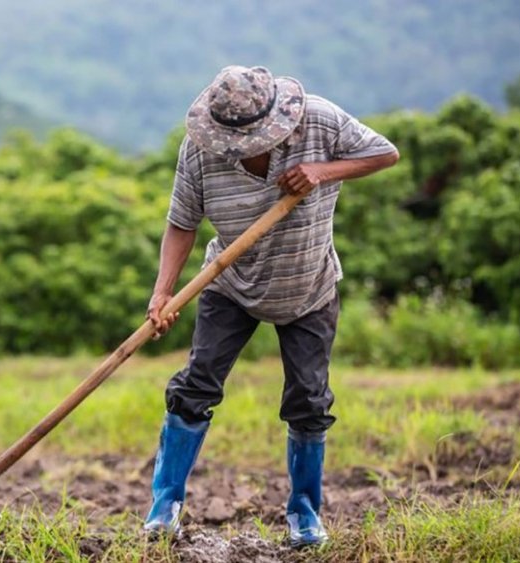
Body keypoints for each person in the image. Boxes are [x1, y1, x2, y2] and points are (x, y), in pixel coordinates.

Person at [143, 65, 399, 547]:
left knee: (308, 399)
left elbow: (385, 153)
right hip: (230, 282)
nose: (241, 150)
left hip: (309, 286)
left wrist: (322, 171)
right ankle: (164, 507)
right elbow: (182, 222)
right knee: (195, 386)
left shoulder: (320, 121)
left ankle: (304, 515)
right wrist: (163, 292)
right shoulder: (200, 150)